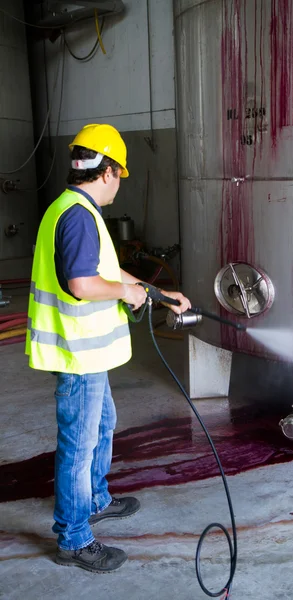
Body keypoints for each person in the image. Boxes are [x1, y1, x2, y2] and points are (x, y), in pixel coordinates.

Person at [26, 123, 191, 573]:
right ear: (109, 171)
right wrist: (125, 294)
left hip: (89, 354)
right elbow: (84, 283)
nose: (120, 182)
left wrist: (158, 295)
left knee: (103, 425)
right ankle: (75, 539)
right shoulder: (78, 215)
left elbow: (111, 270)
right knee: (78, 446)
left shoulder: (76, 207)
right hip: (78, 355)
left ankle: (95, 499)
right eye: (120, 174)